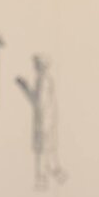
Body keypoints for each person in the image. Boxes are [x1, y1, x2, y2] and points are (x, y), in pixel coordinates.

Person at [16, 55, 67, 188]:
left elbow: (37, 102)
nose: (34, 66)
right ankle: (57, 175)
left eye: (36, 64)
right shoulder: (46, 79)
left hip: (43, 121)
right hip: (47, 119)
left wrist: (25, 87)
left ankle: (42, 179)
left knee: (41, 151)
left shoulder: (43, 80)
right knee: (49, 149)